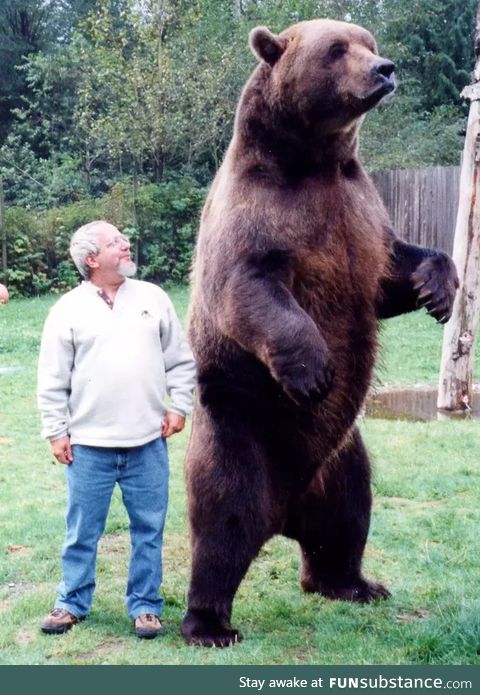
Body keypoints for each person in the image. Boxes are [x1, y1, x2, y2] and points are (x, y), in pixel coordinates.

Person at [37, 220, 196, 639]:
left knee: (149, 530)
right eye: (115, 243)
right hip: (88, 447)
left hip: (147, 442)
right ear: (92, 259)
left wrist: (179, 405)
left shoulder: (153, 298)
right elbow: (52, 379)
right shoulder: (66, 310)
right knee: (81, 532)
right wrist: (56, 432)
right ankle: (71, 601)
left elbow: (180, 361)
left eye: (124, 239)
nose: (126, 245)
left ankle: (145, 606)